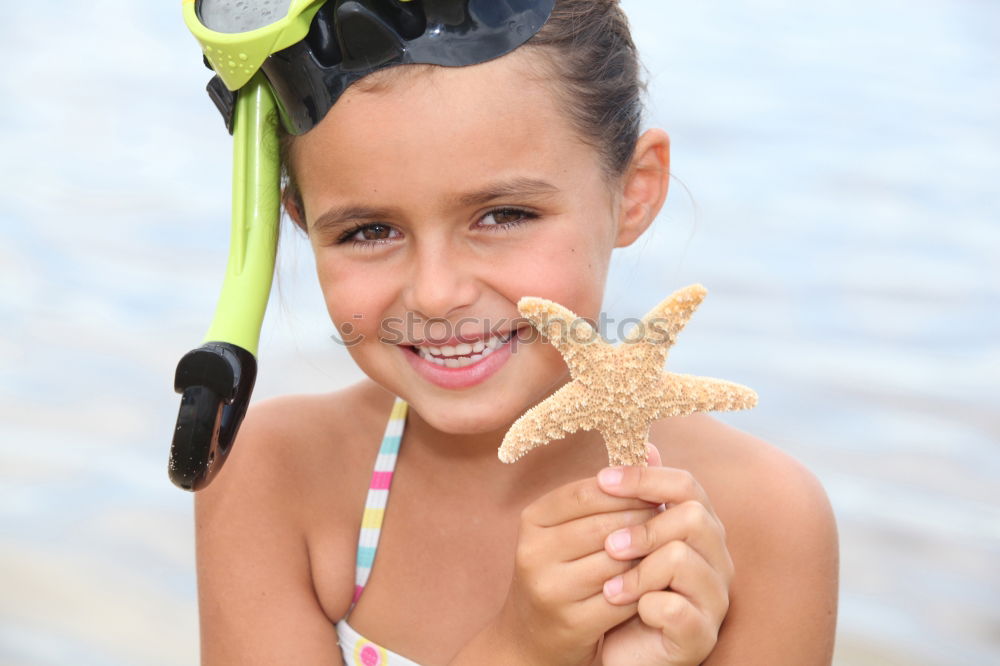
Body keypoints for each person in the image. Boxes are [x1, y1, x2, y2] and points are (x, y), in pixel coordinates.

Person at [193, 1, 839, 664]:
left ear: (636, 191)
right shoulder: (273, 475)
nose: (438, 293)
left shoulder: (765, 520)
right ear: (298, 220)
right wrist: (523, 648)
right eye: (370, 231)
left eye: (503, 215)